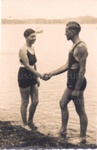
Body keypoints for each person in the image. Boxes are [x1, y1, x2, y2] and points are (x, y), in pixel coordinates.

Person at [43, 21, 88, 143]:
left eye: (66, 31)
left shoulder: (81, 47)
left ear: (72, 32)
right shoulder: (73, 46)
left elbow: (83, 70)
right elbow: (67, 65)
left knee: (80, 110)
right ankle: (63, 130)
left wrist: (77, 89)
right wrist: (51, 73)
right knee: (63, 103)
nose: (65, 34)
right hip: (71, 81)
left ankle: (83, 137)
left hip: (77, 82)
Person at [18, 28, 43, 130]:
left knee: (35, 101)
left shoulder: (33, 48)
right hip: (24, 75)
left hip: (33, 75)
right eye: (32, 36)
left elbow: (34, 63)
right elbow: (27, 66)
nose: (34, 38)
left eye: (35, 36)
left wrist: (37, 78)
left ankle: (30, 121)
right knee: (25, 102)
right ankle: (24, 124)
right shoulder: (22, 49)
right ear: (26, 37)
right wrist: (39, 74)